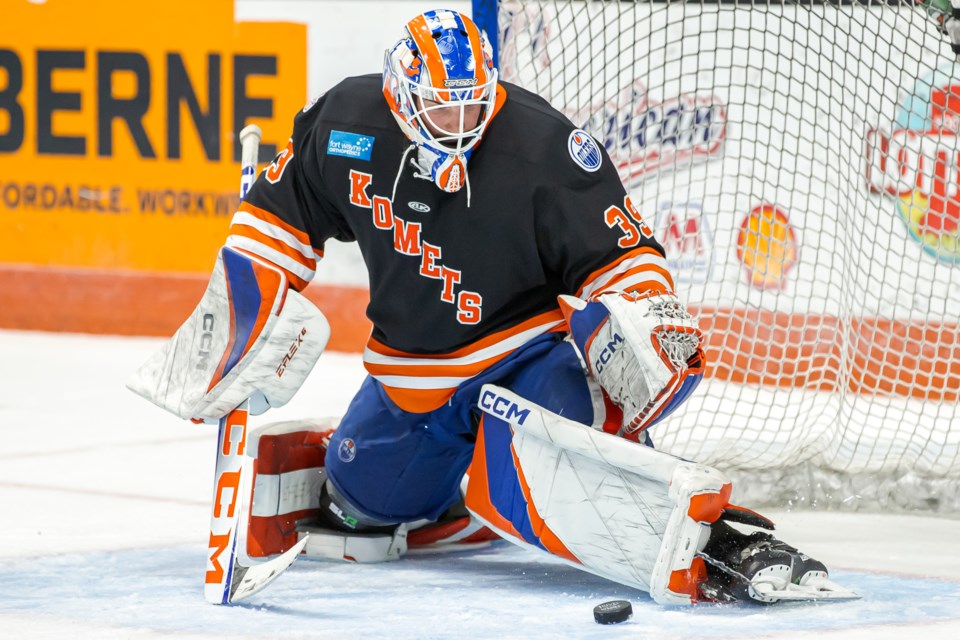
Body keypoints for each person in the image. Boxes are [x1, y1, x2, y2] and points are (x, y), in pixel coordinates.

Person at [131, 9, 849, 604]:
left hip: (524, 354)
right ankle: (462, 492)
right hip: (413, 371)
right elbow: (277, 220)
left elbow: (623, 256)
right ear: (400, 94)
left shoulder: (543, 146)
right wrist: (238, 317)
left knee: (571, 464)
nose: (461, 118)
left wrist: (642, 317)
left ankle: (728, 540)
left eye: (474, 100)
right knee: (362, 508)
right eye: (442, 105)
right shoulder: (347, 123)